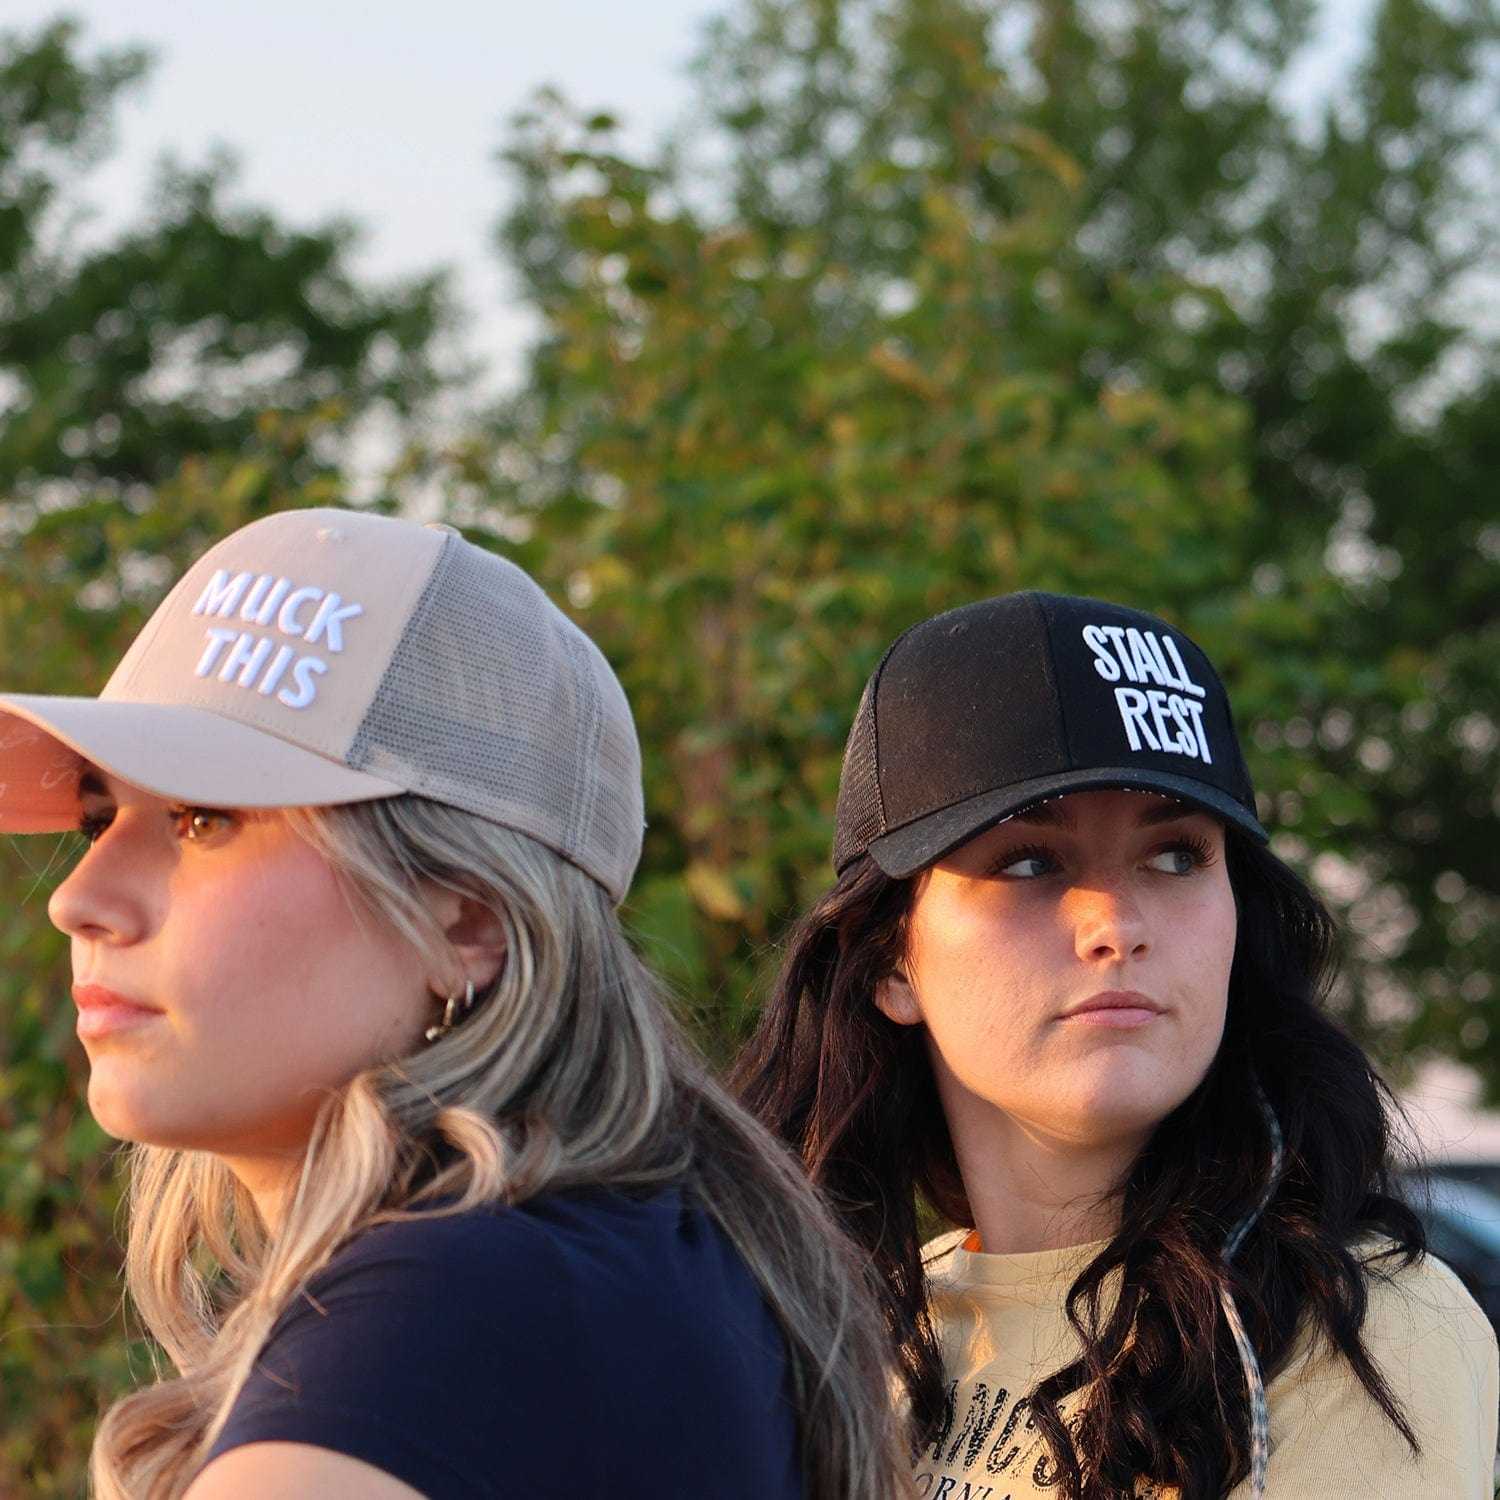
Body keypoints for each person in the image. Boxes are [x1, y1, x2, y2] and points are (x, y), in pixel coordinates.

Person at [0, 508, 901, 1500]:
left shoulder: (463, 1304)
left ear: (468, 921)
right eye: (98, 817)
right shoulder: (607, 1258)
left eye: (200, 818)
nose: (77, 898)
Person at [735, 589, 1499, 1499]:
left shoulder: (1355, 1330)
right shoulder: (838, 1338)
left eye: (1176, 855)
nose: (1117, 925)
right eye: (1029, 862)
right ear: (890, 962)